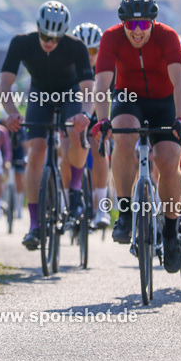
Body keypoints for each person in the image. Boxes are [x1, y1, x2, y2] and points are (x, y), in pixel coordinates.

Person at [91, 0, 181, 274]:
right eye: (131, 26)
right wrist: (102, 121)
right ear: (122, 24)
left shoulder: (167, 36)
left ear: (153, 23)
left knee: (170, 159)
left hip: (164, 102)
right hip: (128, 97)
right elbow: (101, 85)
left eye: (144, 26)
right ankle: (124, 212)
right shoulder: (110, 38)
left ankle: (171, 232)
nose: (137, 32)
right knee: (123, 137)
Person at [0, 1, 94, 251]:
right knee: (37, 151)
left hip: (70, 93)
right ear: (37, 29)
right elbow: (5, 84)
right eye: (45, 35)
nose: (50, 42)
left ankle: (74, 189)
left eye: (55, 37)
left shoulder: (76, 46)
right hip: (39, 94)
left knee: (75, 132)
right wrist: (11, 114)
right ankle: (34, 225)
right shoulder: (21, 43)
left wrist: (86, 113)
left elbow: (88, 90)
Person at [72, 22, 111, 229]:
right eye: (83, 51)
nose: (88, 56)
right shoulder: (70, 66)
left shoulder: (106, 68)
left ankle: (101, 207)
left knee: (99, 147)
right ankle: (69, 197)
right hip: (75, 112)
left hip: (97, 115)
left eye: (93, 51)